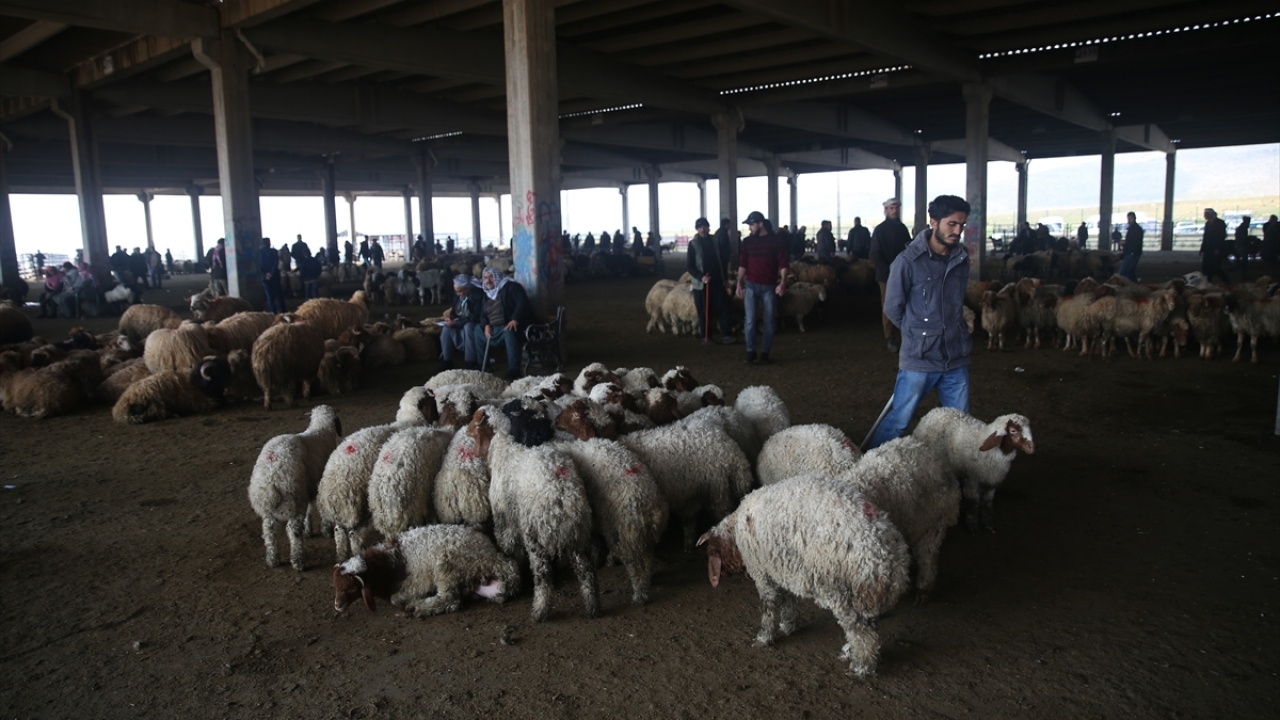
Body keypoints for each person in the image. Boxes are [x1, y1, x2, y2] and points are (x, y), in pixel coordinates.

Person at [868, 194, 973, 450]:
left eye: (962, 225)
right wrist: (918, 333)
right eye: (952, 224)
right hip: (920, 358)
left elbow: (956, 302)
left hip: (955, 356)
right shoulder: (907, 262)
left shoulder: (961, 258)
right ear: (933, 222)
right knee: (899, 422)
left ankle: (956, 474)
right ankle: (872, 466)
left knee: (961, 423)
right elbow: (893, 307)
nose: (957, 231)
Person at [735, 211, 788, 365]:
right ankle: (750, 351)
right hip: (751, 286)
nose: (750, 228)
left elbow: (783, 263)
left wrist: (783, 282)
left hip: (769, 287)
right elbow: (742, 264)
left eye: (752, 225)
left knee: (769, 321)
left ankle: (765, 353)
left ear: (760, 224)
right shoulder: (747, 243)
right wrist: (739, 282)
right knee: (750, 320)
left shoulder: (776, 241)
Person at [471, 268, 533, 380]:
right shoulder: (487, 293)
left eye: (491, 277)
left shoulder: (511, 287)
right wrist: (486, 325)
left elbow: (522, 302)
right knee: (477, 330)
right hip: (494, 328)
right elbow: (483, 314)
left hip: (510, 325)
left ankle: (514, 370)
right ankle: (483, 366)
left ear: (497, 277)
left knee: (509, 331)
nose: (488, 280)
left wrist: (515, 319)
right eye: (485, 278)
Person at [869, 197, 911, 352]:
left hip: (902, 274)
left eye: (896, 208)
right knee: (888, 307)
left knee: (906, 304)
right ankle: (890, 338)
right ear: (886, 211)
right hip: (886, 276)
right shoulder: (879, 230)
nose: (895, 210)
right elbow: (874, 253)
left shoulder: (902, 229)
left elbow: (908, 250)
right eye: (892, 208)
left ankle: (906, 336)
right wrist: (889, 269)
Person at [687, 217, 734, 344]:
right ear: (697, 229)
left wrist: (724, 277)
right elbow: (690, 265)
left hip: (717, 281)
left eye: (705, 227)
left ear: (708, 227)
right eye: (700, 227)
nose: (703, 229)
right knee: (704, 310)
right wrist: (701, 276)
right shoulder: (693, 244)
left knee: (724, 307)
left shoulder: (715, 241)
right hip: (702, 284)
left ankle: (726, 335)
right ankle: (706, 336)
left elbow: (721, 260)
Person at [439, 275, 485, 371]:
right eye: (456, 291)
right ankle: (447, 360)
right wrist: (452, 315)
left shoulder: (478, 295)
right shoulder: (459, 296)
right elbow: (456, 309)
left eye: (460, 291)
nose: (457, 294)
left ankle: (470, 361)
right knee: (446, 328)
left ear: (468, 289)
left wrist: (457, 323)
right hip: (462, 320)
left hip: (476, 323)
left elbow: (475, 316)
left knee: (469, 327)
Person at [1199, 208, 1229, 284]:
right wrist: (1202, 248)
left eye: (1206, 214)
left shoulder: (1220, 223)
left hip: (1215, 247)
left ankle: (1225, 280)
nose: (1205, 216)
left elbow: (1222, 236)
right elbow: (1205, 237)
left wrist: (1218, 248)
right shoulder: (1207, 224)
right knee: (1207, 265)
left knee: (1215, 265)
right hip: (1208, 248)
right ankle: (1209, 280)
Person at [259, 237, 285, 313]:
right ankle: (282, 309)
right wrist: (271, 273)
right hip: (275, 276)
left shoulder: (259, 253)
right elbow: (275, 263)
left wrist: (265, 274)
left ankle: (273, 310)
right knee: (278, 294)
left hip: (264, 277)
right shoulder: (274, 251)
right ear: (269, 243)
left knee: (269, 295)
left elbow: (259, 265)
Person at [1119, 212, 1143, 282]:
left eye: (1130, 218)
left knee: (1122, 272)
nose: (1129, 220)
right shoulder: (1135, 228)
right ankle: (1134, 286)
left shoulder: (1135, 229)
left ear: (1134, 218)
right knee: (1130, 272)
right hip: (1132, 253)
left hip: (1131, 253)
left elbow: (1135, 242)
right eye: (1128, 218)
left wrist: (1125, 243)